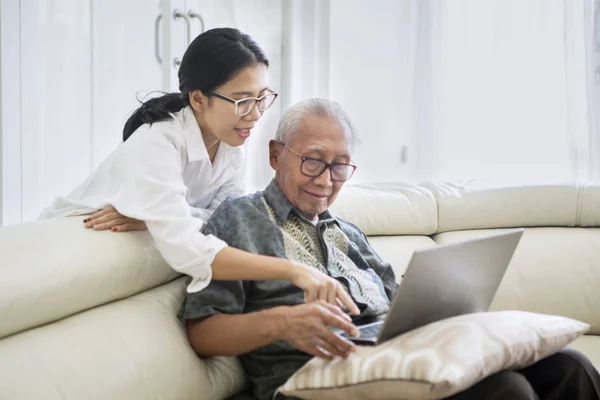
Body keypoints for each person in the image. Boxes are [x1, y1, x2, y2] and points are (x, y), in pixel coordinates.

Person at [181, 98, 600, 400]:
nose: (327, 179)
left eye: (340, 164)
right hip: (310, 376)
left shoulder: (348, 231)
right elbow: (202, 332)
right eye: (313, 160)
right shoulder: (239, 219)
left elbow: (399, 305)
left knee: (570, 368)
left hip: (396, 358)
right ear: (276, 155)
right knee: (505, 391)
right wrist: (282, 322)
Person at [37, 28, 359, 316]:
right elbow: (189, 249)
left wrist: (160, 215)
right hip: (66, 243)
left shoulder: (232, 144)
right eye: (242, 101)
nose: (256, 115)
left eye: (262, 99)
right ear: (198, 99)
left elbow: (227, 219)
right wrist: (293, 270)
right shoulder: (157, 143)